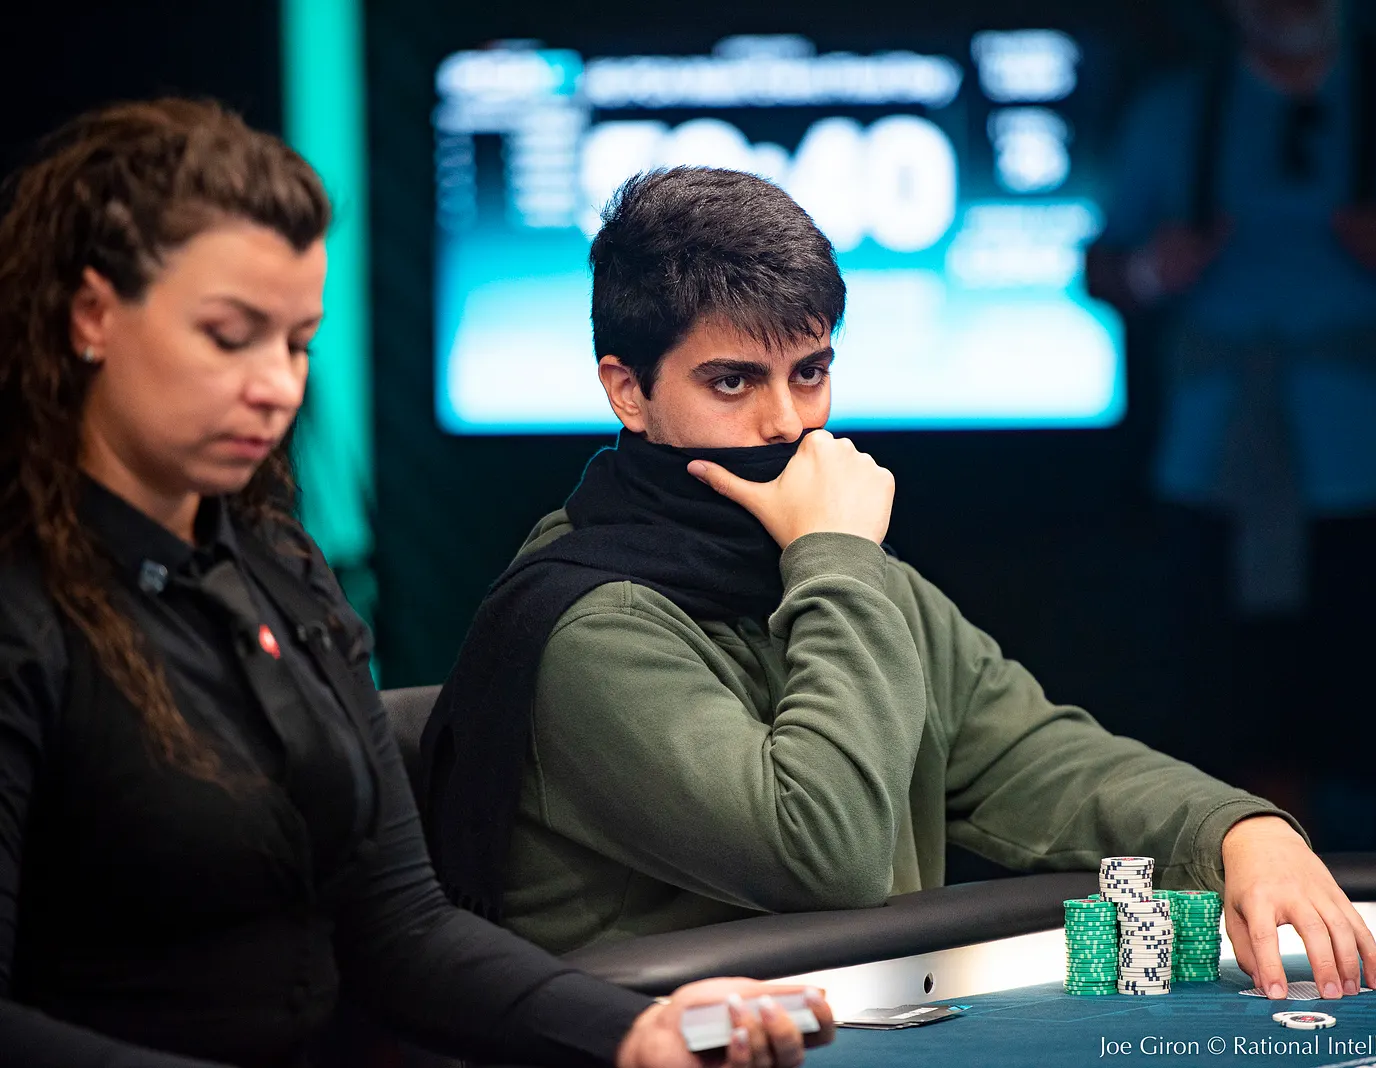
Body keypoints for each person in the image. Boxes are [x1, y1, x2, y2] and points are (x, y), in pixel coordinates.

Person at [422, 165, 1376, 1005]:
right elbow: (823, 857)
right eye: (732, 383)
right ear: (628, 391)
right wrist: (834, 559)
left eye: (810, 372)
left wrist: (1238, 832)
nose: (787, 422)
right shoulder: (594, 624)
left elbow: (1029, 756)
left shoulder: (824, 559)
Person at [0, 100, 833, 1068]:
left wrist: (632, 1031)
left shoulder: (279, 568)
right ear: (93, 317)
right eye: (229, 336)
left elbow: (400, 928)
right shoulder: (24, 610)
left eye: (296, 343)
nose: (277, 386)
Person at [1084, 0, 1376, 847]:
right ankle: (1268, 916)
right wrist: (1150, 269)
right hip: (1218, 477)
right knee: (1243, 723)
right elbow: (1101, 265)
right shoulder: (1174, 109)